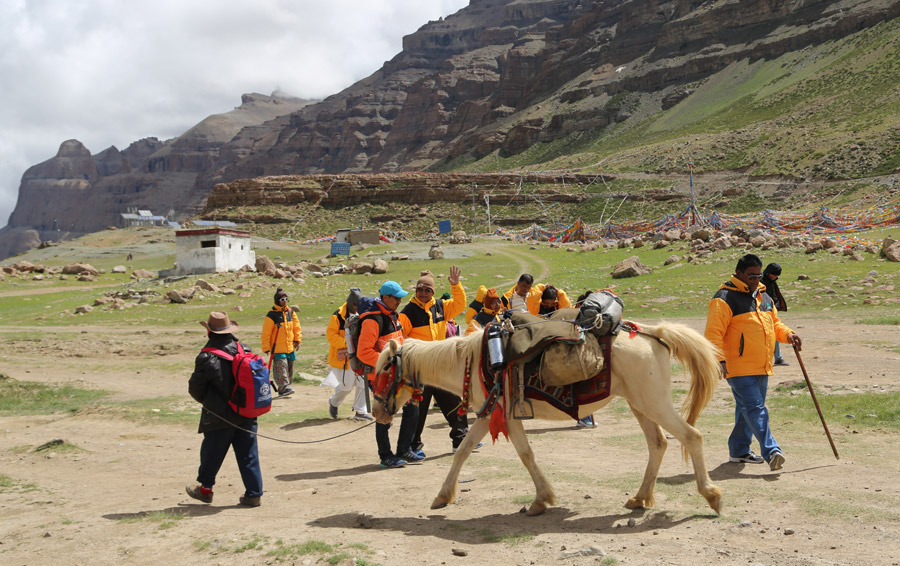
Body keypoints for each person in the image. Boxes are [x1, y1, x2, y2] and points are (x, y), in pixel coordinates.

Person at [705, 254, 802, 472]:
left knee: (746, 409)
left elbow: (775, 324)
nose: (755, 280)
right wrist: (718, 359)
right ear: (739, 273)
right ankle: (772, 451)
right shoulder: (724, 298)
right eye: (751, 276)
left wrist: (789, 335)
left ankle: (739, 450)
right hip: (737, 366)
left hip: (762, 365)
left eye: (758, 276)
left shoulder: (763, 296)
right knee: (755, 409)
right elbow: (713, 334)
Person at [186, 312, 263, 507]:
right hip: (246, 412)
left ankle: (205, 491)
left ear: (209, 333)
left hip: (219, 416)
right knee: (249, 453)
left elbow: (195, 389)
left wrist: (210, 403)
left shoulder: (206, 357)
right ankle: (254, 494)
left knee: (212, 453)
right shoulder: (244, 349)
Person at [399, 268, 469, 457]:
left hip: (440, 366)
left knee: (454, 401)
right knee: (418, 409)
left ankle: (461, 440)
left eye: (427, 290)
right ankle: (414, 446)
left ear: (433, 292)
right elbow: (399, 340)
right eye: (420, 290)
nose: (423, 294)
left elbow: (460, 304)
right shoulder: (407, 313)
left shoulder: (441, 306)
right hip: (419, 369)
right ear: (416, 291)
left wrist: (455, 285)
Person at [357, 280, 418, 469]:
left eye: (400, 298)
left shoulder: (392, 316)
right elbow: (364, 352)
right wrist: (390, 362)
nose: (399, 301)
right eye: (396, 297)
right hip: (381, 377)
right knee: (383, 414)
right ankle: (385, 455)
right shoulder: (372, 320)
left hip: (397, 374)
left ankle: (404, 449)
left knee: (413, 405)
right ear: (385, 297)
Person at [324, 288, 373, 421]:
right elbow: (331, 335)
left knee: (364, 383)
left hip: (361, 355)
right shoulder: (337, 316)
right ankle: (334, 402)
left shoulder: (364, 314)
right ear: (352, 304)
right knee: (347, 386)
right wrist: (347, 343)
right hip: (345, 358)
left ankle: (360, 411)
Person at [261, 287, 301, 397]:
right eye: (282, 300)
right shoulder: (271, 315)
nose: (284, 302)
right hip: (277, 347)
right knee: (281, 367)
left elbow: (296, 327)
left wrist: (297, 340)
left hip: (290, 346)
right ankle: (283, 387)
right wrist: (266, 347)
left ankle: (285, 387)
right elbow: (266, 333)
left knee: (289, 367)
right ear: (277, 301)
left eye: (286, 299)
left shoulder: (291, 313)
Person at [763, 263, 790, 366]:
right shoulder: (760, 281)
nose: (776, 277)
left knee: (774, 332)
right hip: (761, 312)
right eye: (775, 275)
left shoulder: (771, 281)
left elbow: (773, 296)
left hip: (770, 311)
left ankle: (778, 358)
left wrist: (775, 306)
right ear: (769, 273)